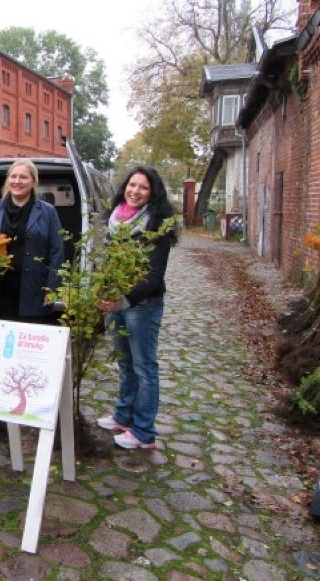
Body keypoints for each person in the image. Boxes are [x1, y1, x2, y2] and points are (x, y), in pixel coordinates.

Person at [96, 165, 177, 450]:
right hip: (116, 301)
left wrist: (122, 299)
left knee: (144, 367)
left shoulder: (157, 223)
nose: (135, 191)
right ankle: (123, 416)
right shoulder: (115, 219)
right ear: (124, 187)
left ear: (152, 192)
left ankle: (144, 432)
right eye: (132, 185)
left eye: (143, 187)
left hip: (142, 304)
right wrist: (104, 292)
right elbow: (107, 262)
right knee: (125, 364)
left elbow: (154, 277)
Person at [0, 159, 64, 325]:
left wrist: (52, 289)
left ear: (33, 181)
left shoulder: (47, 212)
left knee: (29, 342)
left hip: (34, 289)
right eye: (13, 176)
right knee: (4, 342)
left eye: (23, 177)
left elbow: (57, 252)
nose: (17, 181)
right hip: (1, 289)